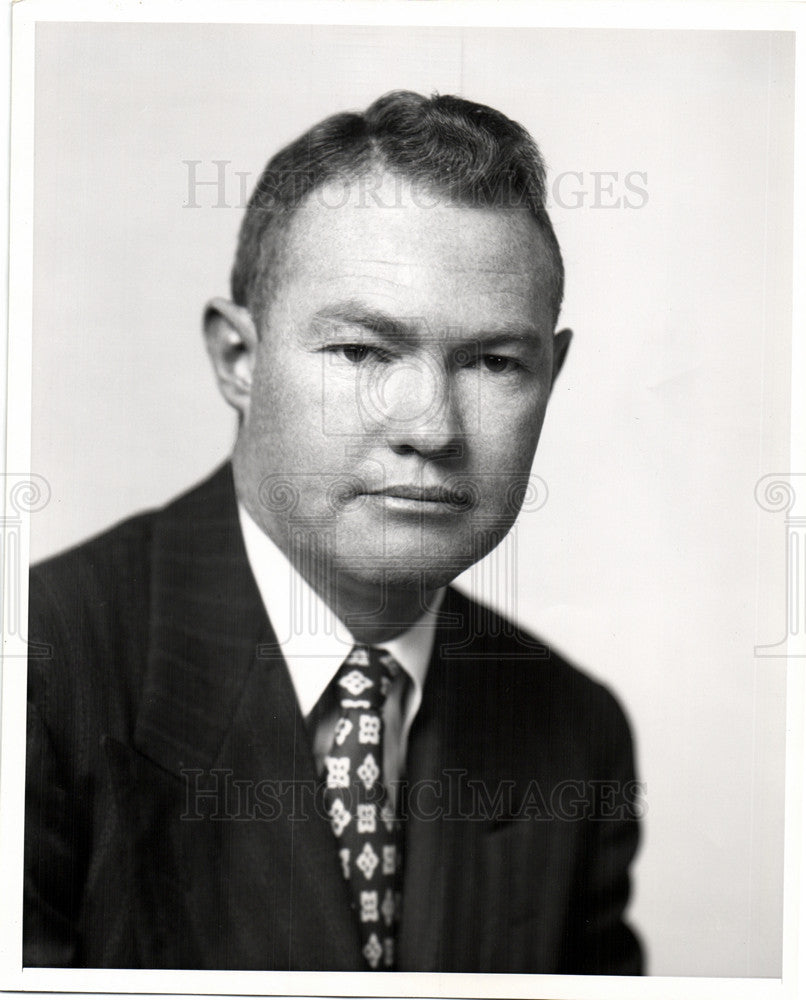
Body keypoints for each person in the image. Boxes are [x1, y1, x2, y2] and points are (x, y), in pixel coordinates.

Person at [24, 91, 643, 974]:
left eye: (495, 362)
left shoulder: (576, 733)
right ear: (238, 360)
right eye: (362, 352)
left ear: (554, 374)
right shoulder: (41, 669)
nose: (430, 427)